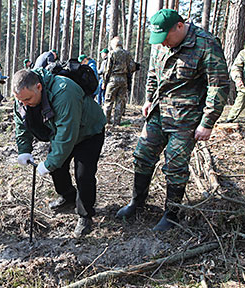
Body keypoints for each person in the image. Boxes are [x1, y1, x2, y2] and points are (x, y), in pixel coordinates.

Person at [115, 9, 230, 231]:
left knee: (176, 165)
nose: (163, 43)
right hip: (159, 111)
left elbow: (218, 85)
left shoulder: (206, 44)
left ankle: (172, 214)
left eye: (166, 37)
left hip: (186, 118)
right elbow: (152, 72)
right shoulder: (161, 42)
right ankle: (137, 203)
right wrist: (149, 98)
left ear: (180, 26)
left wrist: (208, 122)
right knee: (143, 155)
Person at [12, 68, 106, 238]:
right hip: (63, 131)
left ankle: (85, 216)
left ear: (39, 87)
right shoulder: (23, 98)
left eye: (28, 99)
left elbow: (66, 134)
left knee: (83, 173)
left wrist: (49, 163)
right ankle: (68, 196)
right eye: (21, 100)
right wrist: (24, 150)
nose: (24, 103)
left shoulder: (64, 92)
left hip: (89, 131)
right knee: (58, 169)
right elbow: (22, 123)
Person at [102, 36, 138, 126]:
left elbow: (107, 69)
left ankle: (106, 122)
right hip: (124, 80)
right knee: (120, 102)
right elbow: (132, 67)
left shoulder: (112, 53)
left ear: (114, 44)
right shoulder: (127, 54)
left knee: (108, 101)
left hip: (113, 79)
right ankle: (117, 122)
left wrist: (104, 81)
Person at [224, 47, 245, 123]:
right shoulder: (244, 54)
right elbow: (236, 68)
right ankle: (229, 120)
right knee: (240, 102)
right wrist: (238, 79)